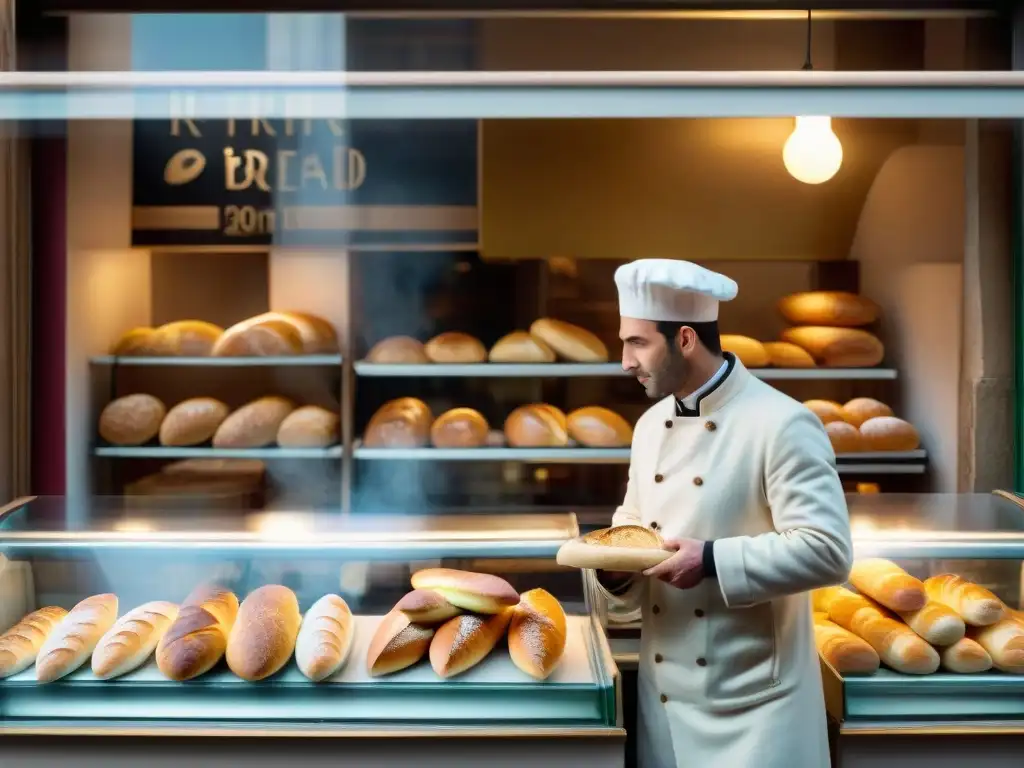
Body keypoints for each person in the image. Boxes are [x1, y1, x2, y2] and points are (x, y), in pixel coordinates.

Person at [599, 258, 853, 768]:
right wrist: (613, 570)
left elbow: (829, 552)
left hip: (757, 712)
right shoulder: (650, 426)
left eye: (637, 343)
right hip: (666, 705)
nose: (625, 361)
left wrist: (711, 560)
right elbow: (632, 528)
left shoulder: (782, 423)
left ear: (686, 338)